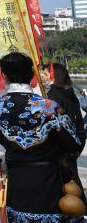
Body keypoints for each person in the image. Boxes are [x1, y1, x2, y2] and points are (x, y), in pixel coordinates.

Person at [0, 52, 87, 223]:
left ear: (4, 76)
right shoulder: (49, 107)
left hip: (17, 182)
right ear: (33, 75)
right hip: (48, 180)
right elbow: (73, 143)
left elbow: (2, 138)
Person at [47, 63, 86, 194]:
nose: (43, 77)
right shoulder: (69, 92)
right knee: (71, 175)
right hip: (77, 137)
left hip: (65, 141)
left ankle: (78, 209)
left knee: (68, 178)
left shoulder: (54, 95)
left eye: (46, 74)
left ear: (54, 76)